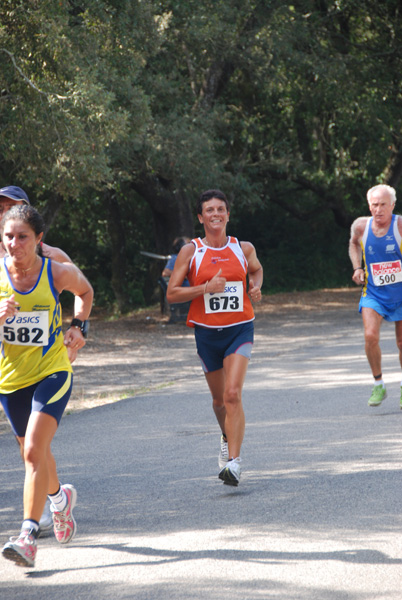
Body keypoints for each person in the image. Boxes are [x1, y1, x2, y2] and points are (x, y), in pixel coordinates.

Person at [0, 205, 93, 568]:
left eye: (22, 236)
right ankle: (59, 499)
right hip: (10, 380)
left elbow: (85, 291)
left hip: (53, 371)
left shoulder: (56, 272)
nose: (14, 243)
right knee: (34, 453)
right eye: (8, 236)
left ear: (39, 240)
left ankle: (27, 536)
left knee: (33, 452)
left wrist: (78, 327)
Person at [167, 189, 263, 486]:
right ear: (201, 217)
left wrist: (256, 287)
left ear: (228, 215)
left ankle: (234, 463)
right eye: (209, 210)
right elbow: (172, 293)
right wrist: (204, 288)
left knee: (233, 394)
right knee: (219, 401)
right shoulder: (190, 251)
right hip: (207, 335)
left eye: (221, 209)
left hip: (240, 328)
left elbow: (257, 271)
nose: (216, 214)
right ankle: (226, 436)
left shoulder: (243, 248)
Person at [349, 183, 402, 408]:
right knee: (370, 336)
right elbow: (353, 245)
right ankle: (378, 383)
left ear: (392, 205)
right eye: (374, 205)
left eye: (382, 205)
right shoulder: (361, 226)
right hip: (374, 293)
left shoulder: (399, 225)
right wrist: (357, 267)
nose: (378, 210)